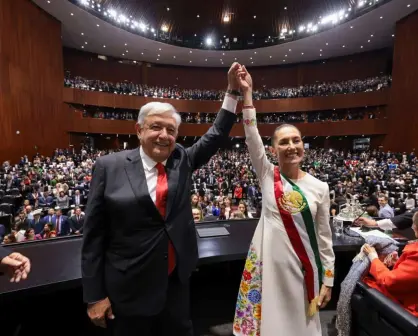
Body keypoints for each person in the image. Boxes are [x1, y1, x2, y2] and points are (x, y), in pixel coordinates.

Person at [82, 63, 241, 336]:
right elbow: (93, 236)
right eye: (156, 127)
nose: (164, 135)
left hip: (175, 283)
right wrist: (94, 296)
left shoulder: (182, 159)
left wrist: (233, 92)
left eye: (171, 130)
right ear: (139, 130)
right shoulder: (109, 166)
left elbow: (216, 135)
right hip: (128, 287)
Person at [232, 66, 335, 336]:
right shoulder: (267, 174)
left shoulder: (319, 187)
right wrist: (248, 95)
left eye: (296, 140)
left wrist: (329, 280)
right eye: (284, 142)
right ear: (273, 149)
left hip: (304, 272)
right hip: (270, 269)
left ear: (303, 145)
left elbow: (324, 238)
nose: (291, 146)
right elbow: (251, 136)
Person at [361, 211, 418, 317]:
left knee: (363, 281)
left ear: (415, 229)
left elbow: (390, 282)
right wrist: (399, 264)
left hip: (409, 309)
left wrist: (374, 258)